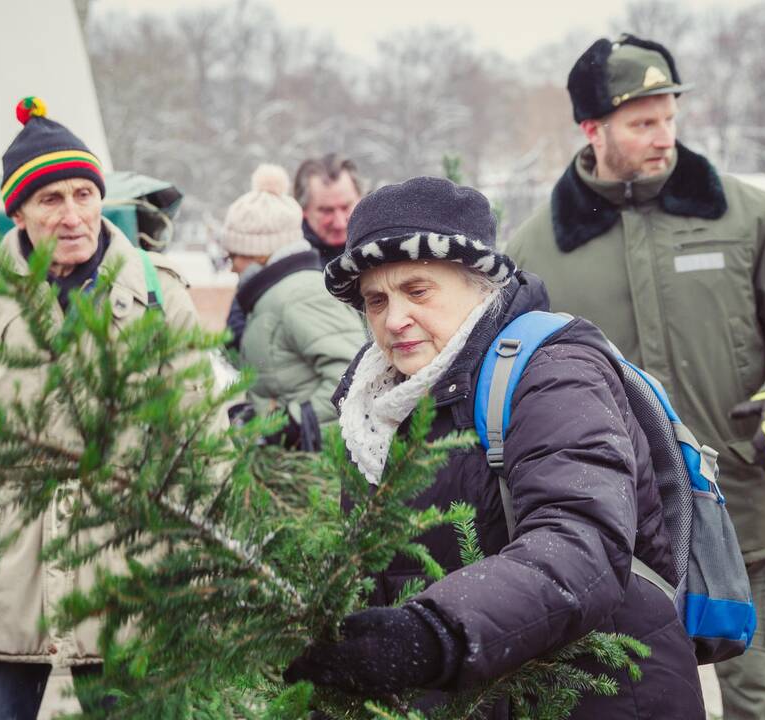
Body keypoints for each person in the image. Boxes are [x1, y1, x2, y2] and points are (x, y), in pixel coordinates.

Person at [507, 35, 765, 720]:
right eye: (643, 122)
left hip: (749, 520)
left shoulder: (748, 215)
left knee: (764, 708)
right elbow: (510, 380)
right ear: (593, 129)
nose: (665, 136)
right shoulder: (534, 252)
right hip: (618, 543)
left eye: (670, 117)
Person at [285, 176, 705, 718]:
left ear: (479, 281)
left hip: (602, 695)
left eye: (417, 291)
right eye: (375, 299)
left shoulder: (552, 372)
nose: (394, 319)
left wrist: (433, 634)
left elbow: (580, 538)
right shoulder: (374, 406)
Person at [0, 97, 208, 718]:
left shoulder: (155, 292)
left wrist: (200, 581)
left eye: (83, 194)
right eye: (51, 200)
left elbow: (202, 446)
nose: (73, 215)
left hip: (127, 585)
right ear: (18, 212)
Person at [220, 164, 365, 450]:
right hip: (295, 467)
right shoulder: (270, 297)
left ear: (256, 253)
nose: (231, 266)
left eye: (233, 255)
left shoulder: (300, 295)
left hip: (318, 473)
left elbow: (352, 373)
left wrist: (293, 426)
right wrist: (257, 416)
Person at [226, 153, 363, 348]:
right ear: (302, 209)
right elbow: (240, 330)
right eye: (326, 210)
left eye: (346, 207)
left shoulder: (380, 248)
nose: (340, 222)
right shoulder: (284, 255)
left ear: (361, 198)